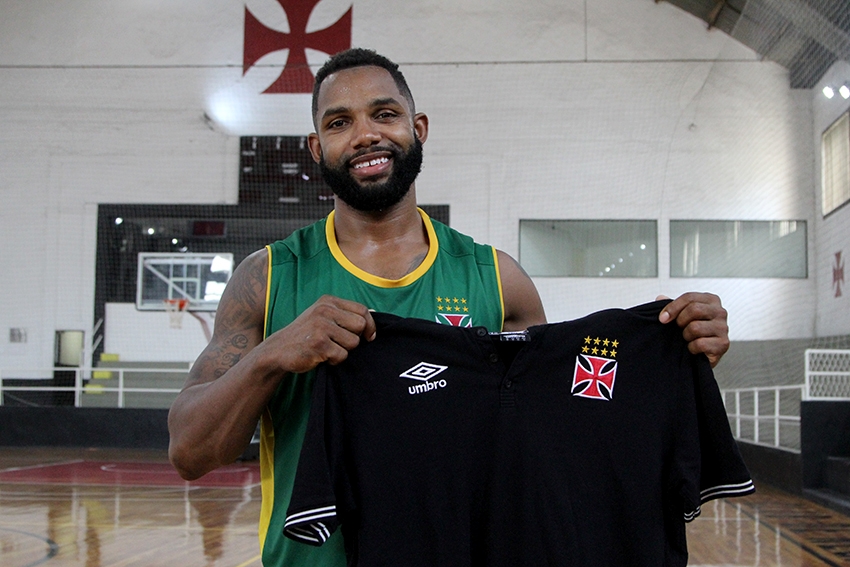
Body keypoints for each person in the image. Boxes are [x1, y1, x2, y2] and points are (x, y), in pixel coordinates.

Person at [168, 48, 730, 566]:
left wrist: (668, 355)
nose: (365, 135)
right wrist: (272, 354)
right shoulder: (267, 278)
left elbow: (554, 435)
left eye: (384, 114)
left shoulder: (497, 279)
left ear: (418, 129)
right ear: (317, 149)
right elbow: (190, 453)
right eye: (339, 123)